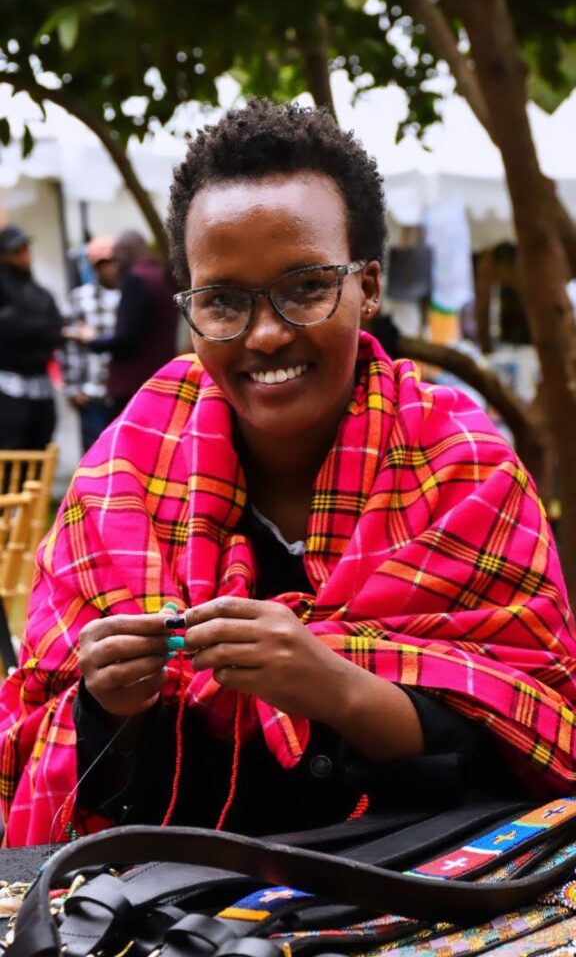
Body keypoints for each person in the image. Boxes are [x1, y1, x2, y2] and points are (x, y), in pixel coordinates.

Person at [1, 101, 576, 849]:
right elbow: (41, 742)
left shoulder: (465, 468)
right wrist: (109, 706)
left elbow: (538, 736)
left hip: (415, 891)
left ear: (368, 287)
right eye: (222, 302)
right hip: (172, 898)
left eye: (306, 287)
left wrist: (336, 686)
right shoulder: (126, 469)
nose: (267, 334)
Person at [64, 230, 179, 419]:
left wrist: (93, 340)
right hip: (161, 379)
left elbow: (127, 339)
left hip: (134, 385)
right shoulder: (162, 276)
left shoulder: (136, 280)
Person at [0, 223, 64, 451]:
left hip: (41, 390)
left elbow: (57, 330)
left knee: (41, 452)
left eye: (25, 249)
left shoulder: (40, 292)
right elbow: (10, 330)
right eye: (16, 251)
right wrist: (38, 328)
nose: (24, 256)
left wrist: (27, 327)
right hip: (8, 391)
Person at [61, 236, 121, 454]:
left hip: (124, 390)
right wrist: (73, 387)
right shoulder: (80, 298)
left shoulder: (132, 294)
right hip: (92, 391)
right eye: (101, 263)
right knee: (95, 455)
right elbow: (69, 346)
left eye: (111, 261)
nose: (108, 268)